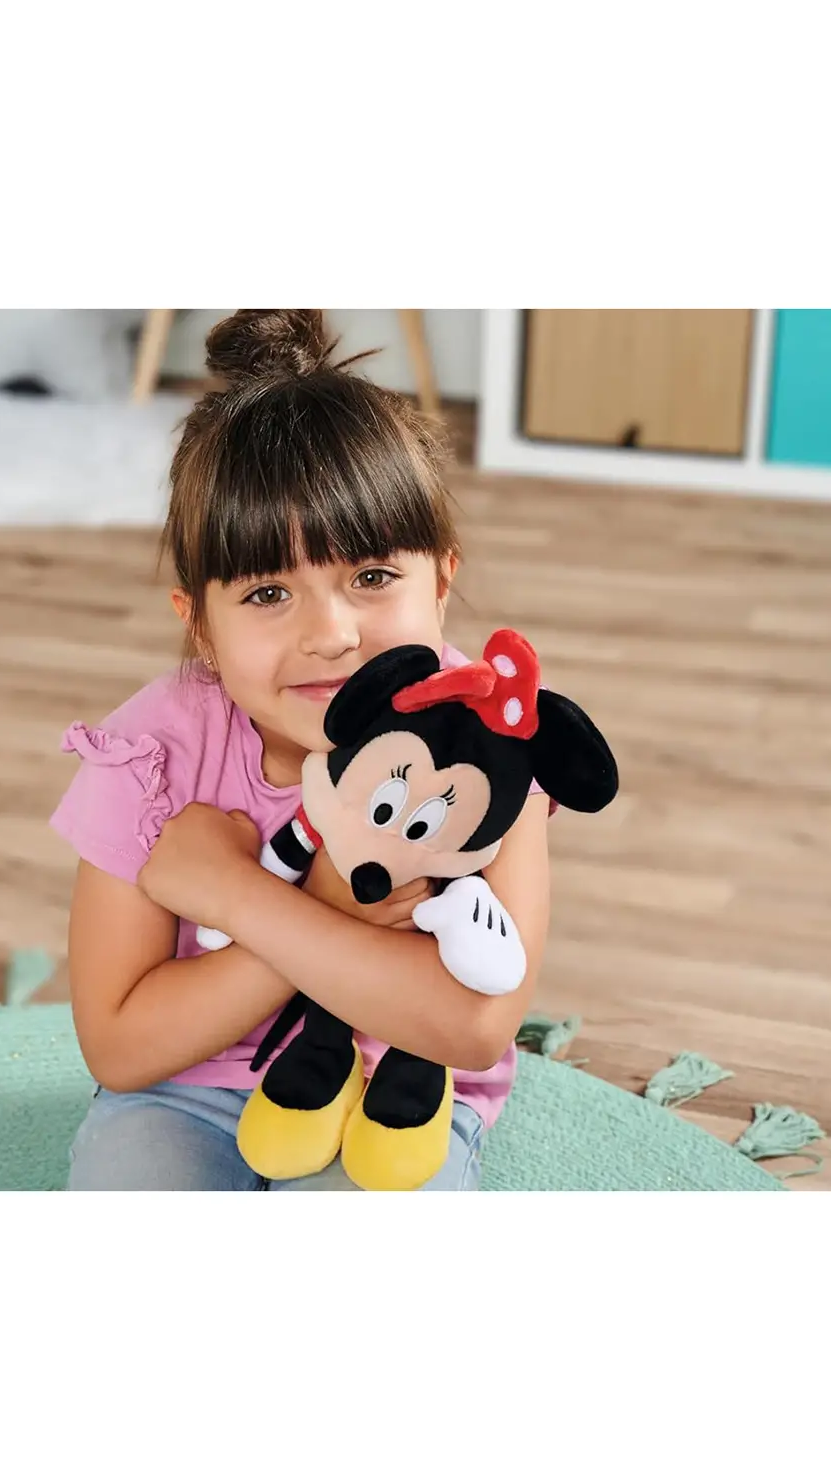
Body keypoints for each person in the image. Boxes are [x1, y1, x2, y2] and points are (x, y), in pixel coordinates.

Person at [48, 309, 552, 1189]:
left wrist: (240, 895)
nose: (331, 635)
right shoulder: (151, 752)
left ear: (442, 581)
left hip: (398, 1096)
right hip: (184, 1089)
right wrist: (333, 914)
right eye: (269, 593)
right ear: (199, 626)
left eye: (372, 578)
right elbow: (122, 1047)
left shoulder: (485, 742)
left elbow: (471, 1028)